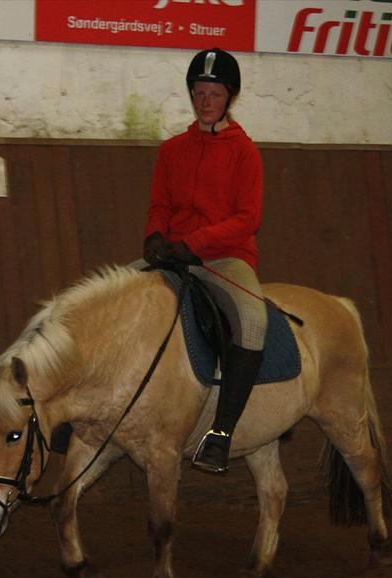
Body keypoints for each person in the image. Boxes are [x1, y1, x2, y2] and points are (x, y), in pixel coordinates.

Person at [142, 47, 266, 475]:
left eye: (214, 93)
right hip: (176, 255)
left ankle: (221, 433)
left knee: (252, 320)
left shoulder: (244, 151)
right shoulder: (172, 149)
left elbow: (248, 218)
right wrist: (154, 236)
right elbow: (159, 203)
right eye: (199, 92)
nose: (205, 100)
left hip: (223, 258)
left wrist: (195, 242)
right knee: (111, 293)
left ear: (228, 97)